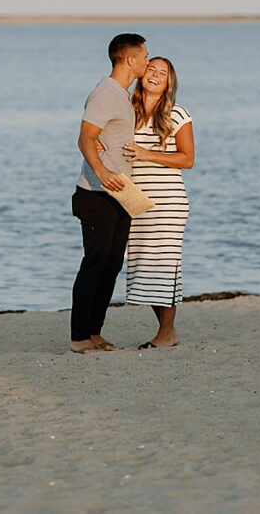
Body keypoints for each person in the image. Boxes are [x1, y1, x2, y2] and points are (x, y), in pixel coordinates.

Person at [70, 33, 149, 354]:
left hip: (120, 195)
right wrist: (102, 172)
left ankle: (94, 332)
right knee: (95, 262)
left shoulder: (122, 95)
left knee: (112, 264)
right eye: (145, 55)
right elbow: (85, 137)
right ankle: (79, 338)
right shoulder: (105, 93)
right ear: (130, 59)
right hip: (96, 194)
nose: (147, 60)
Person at [122, 57, 194, 349]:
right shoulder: (127, 111)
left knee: (165, 265)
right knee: (143, 266)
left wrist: (146, 153)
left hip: (167, 203)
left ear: (168, 83)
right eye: (151, 68)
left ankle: (166, 334)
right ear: (141, 74)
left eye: (162, 73)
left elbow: (187, 159)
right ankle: (168, 331)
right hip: (135, 202)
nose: (154, 74)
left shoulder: (177, 114)